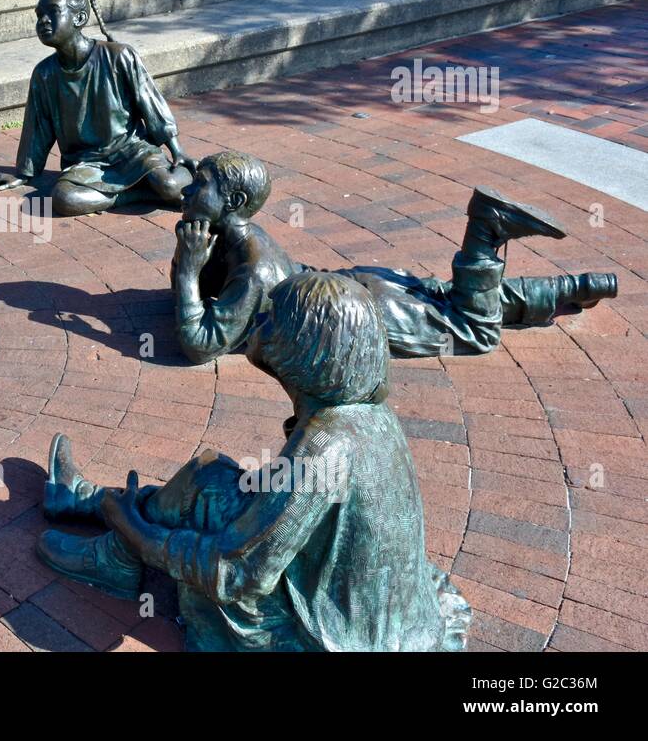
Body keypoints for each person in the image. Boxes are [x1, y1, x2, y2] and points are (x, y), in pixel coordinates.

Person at [38, 272, 473, 651]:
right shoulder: (371, 417)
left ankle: (115, 543)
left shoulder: (325, 445)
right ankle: (97, 509)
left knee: (206, 485)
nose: (257, 321)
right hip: (387, 619)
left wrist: (140, 534)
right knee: (215, 480)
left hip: (324, 638)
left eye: (269, 317)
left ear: (300, 346)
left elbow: (241, 573)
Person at [171, 151, 616, 366]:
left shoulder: (254, 266)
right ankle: (565, 289)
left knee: (473, 329)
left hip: (358, 311)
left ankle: (484, 229)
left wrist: (187, 275)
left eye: (201, 185)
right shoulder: (235, 236)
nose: (188, 190)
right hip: (352, 287)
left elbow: (200, 344)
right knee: (451, 300)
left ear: (235, 201)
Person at [0, 0, 197, 217]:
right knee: (64, 199)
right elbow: (37, 128)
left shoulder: (118, 56)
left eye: (52, 12)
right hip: (86, 164)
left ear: (79, 18)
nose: (43, 21)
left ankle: (163, 186)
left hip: (133, 152)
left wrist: (176, 149)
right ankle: (138, 194)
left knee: (170, 185)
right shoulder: (44, 74)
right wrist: (24, 173)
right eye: (39, 15)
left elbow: (151, 104)